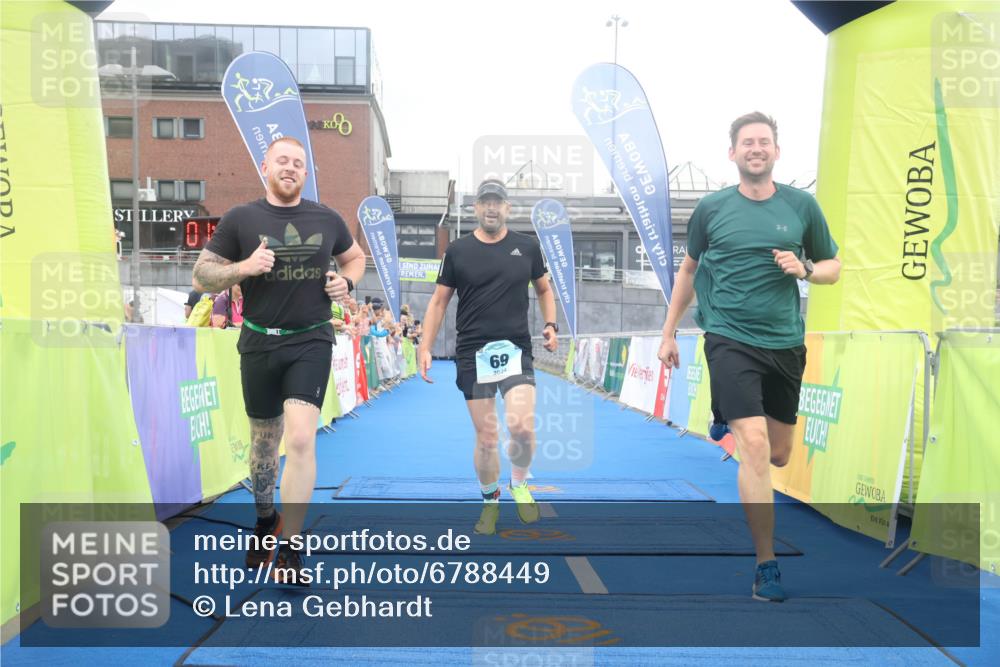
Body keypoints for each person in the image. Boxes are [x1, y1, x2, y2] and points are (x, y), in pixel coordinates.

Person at [656, 112, 840, 602]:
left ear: (776, 152)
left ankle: (722, 413)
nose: (756, 148)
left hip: (784, 343)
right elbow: (689, 270)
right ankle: (767, 565)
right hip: (728, 338)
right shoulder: (712, 209)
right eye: (746, 142)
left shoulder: (802, 206)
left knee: (779, 453)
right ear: (732, 154)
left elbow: (833, 267)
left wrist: (804, 268)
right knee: (755, 447)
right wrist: (669, 332)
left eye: (764, 142)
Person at [192, 136, 365, 582]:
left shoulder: (327, 218)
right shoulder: (241, 219)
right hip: (258, 342)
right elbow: (203, 275)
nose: (290, 168)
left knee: (302, 439)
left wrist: (346, 282)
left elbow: (356, 258)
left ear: (305, 174)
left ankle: (290, 544)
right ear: (265, 167)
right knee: (263, 447)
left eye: (298, 164)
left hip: (310, 340)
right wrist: (244, 268)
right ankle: (266, 517)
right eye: (282, 161)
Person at [419, 179, 559, 535]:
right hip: (473, 352)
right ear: (476, 209)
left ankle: (519, 483)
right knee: (487, 437)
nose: (492, 208)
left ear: (508, 208)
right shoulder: (458, 250)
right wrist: (424, 346)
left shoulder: (526, 247)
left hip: (515, 349)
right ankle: (490, 502)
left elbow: (544, 289)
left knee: (522, 426)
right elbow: (438, 302)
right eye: (485, 202)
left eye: (498, 202)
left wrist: (551, 324)